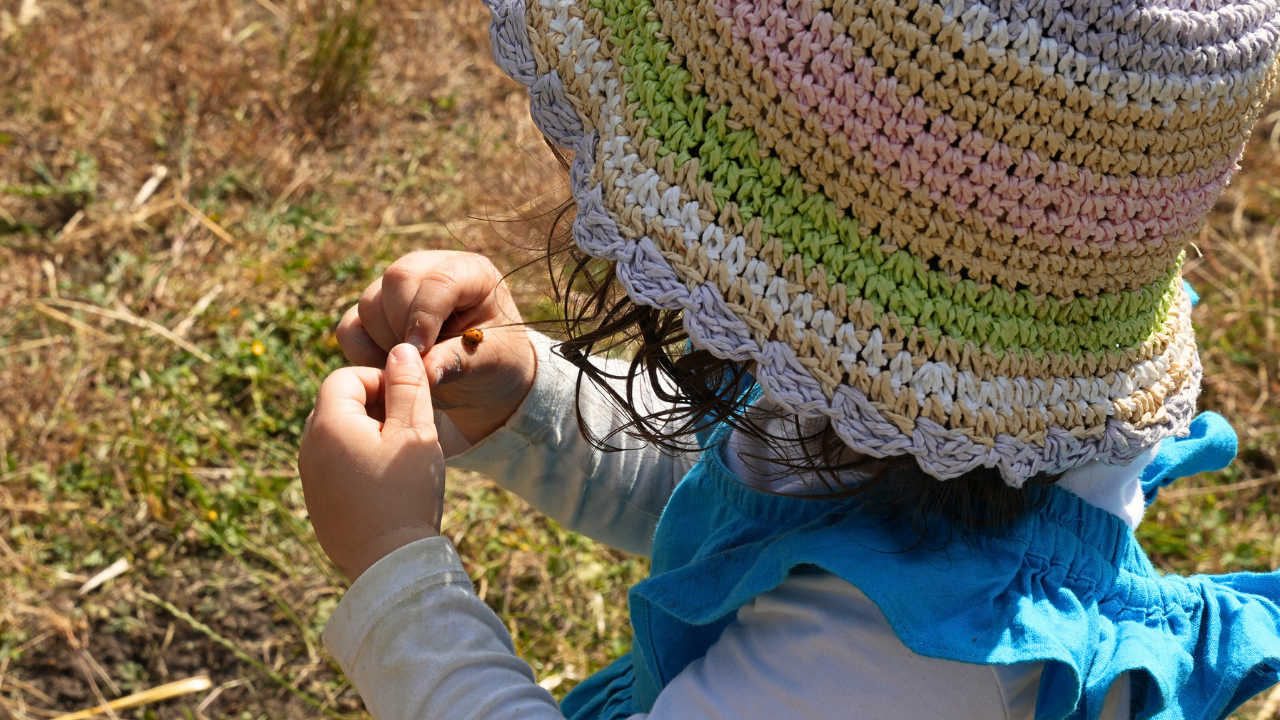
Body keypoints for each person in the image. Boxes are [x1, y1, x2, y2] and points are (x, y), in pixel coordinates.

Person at [295, 0, 1280, 714]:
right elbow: (756, 503)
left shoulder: (898, 668)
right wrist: (530, 402)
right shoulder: (939, 406)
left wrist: (395, 566)